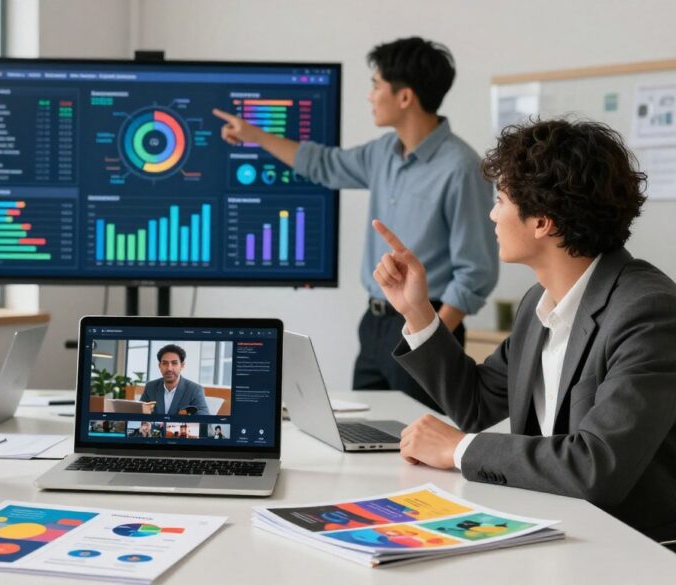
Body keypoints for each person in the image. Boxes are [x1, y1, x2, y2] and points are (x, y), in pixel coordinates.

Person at [374, 119, 676, 543]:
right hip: (555, 530)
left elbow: (595, 466)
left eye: (500, 199)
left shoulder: (648, 311)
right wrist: (418, 310)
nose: (492, 213)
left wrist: (458, 449)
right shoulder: (539, 302)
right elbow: (476, 404)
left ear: (543, 223)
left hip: (632, 548)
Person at [213, 37, 498, 411]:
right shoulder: (383, 152)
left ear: (404, 97)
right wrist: (254, 136)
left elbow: (476, 271)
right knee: (364, 434)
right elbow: (324, 164)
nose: (370, 96)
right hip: (375, 324)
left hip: (425, 322)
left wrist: (429, 336)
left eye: (376, 85)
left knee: (417, 446)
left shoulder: (461, 167)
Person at [139, 344, 208, 415]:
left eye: (174, 363)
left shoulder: (195, 389)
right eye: (165, 363)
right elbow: (139, 412)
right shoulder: (151, 386)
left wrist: (187, 413)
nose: (169, 368)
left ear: (182, 365)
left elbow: (204, 416)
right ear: (159, 366)